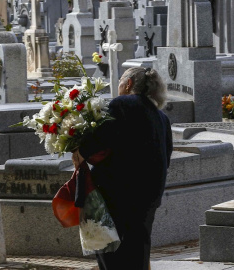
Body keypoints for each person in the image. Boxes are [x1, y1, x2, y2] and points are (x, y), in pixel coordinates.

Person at [72, 67, 173, 270]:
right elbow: (166, 154)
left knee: (110, 251)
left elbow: (102, 135)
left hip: (118, 192)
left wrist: (80, 151)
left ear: (128, 84)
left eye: (120, 81)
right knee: (138, 250)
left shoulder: (122, 104)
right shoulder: (160, 117)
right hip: (149, 195)